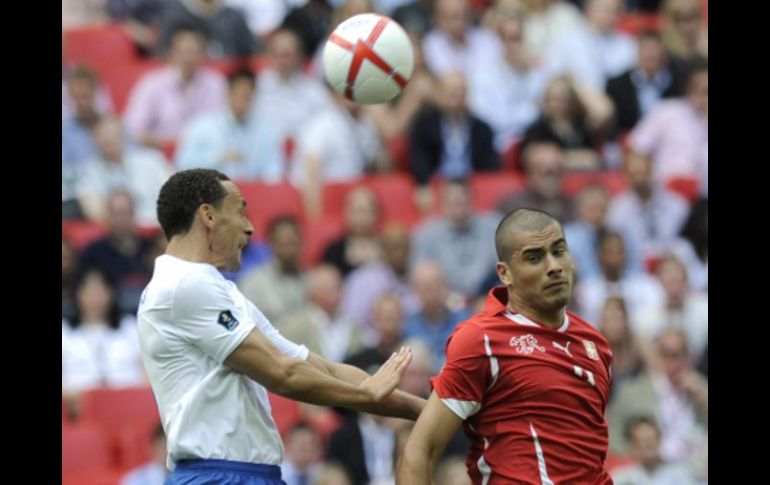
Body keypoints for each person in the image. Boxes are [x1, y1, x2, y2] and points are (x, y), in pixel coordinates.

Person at [137, 169, 426, 484]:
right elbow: (282, 374)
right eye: (240, 212)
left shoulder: (220, 290)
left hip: (252, 474)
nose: (248, 228)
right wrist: (365, 397)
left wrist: (429, 411)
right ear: (208, 215)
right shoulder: (184, 285)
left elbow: (316, 366)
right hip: (217, 477)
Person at [397, 208, 614, 483]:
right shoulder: (481, 340)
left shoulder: (595, 344)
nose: (554, 266)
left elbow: (588, 455)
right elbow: (420, 449)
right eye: (534, 258)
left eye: (559, 251)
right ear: (505, 273)